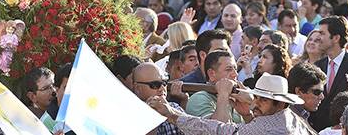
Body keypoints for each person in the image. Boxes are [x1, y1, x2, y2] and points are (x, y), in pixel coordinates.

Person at [148, 73, 317, 135]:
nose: (254, 104)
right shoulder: (289, 118)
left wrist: (172, 114)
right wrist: (246, 116)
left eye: (262, 99)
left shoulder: (271, 125)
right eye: (256, 97)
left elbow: (218, 131)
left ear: (281, 104)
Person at [184, 51, 246, 124]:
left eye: (235, 69)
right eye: (228, 69)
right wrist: (223, 94)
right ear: (211, 74)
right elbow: (219, 130)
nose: (235, 74)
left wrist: (247, 114)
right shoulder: (199, 98)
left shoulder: (235, 100)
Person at [133, 62, 184, 135]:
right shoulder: (131, 114)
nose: (162, 88)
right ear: (138, 88)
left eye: (164, 83)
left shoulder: (174, 107)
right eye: (155, 85)